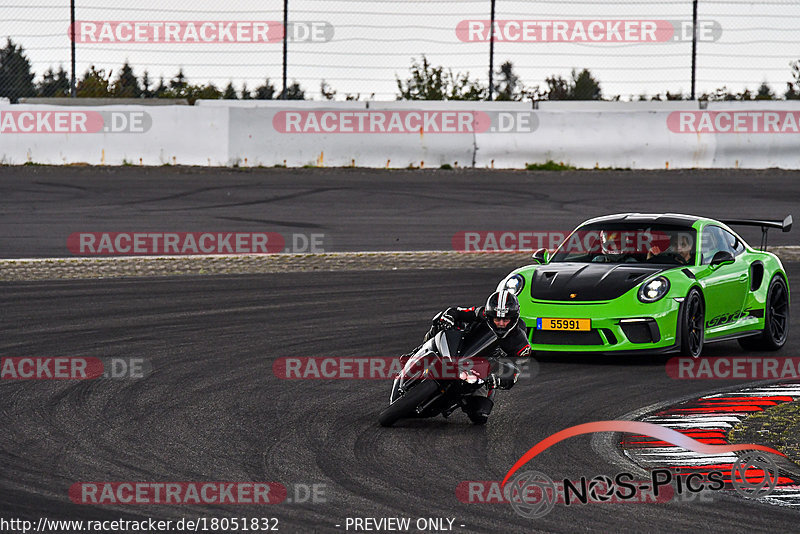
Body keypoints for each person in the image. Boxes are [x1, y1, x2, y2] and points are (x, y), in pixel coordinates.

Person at [422, 290, 531, 423]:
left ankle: (461, 399)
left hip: (483, 373)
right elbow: (456, 311)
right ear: (490, 316)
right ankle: (419, 351)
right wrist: (449, 317)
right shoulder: (482, 313)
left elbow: (515, 373)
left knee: (480, 415)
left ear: (513, 319)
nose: (501, 323)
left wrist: (500, 380)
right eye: (497, 319)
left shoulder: (521, 345)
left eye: (505, 319)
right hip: (462, 350)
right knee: (438, 323)